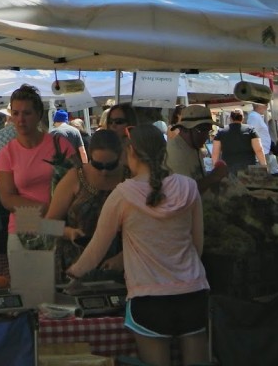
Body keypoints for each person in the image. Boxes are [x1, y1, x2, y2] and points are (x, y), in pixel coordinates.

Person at [67, 125, 210, 366]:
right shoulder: (189, 187)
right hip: (193, 293)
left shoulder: (123, 194)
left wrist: (73, 272)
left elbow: (96, 249)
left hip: (149, 298)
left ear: (130, 151)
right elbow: (198, 245)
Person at [0, 84, 77, 248]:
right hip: (26, 225)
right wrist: (49, 211)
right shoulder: (7, 153)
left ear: (39, 114)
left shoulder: (61, 145)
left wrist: (54, 216)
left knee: (62, 272)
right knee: (31, 273)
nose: (20, 119)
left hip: (62, 222)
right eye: (16, 113)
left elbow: (79, 182)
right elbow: (7, 199)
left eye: (27, 113)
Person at [46, 129, 125, 281]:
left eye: (110, 166)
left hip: (118, 264)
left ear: (120, 156)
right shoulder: (76, 177)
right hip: (75, 262)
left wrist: (123, 257)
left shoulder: (129, 177)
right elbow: (47, 224)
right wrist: (69, 232)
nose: (103, 172)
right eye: (97, 165)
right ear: (89, 154)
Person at [165, 105, 228, 193]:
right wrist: (213, 177)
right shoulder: (175, 153)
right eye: (202, 131)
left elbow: (198, 178)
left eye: (208, 131)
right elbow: (184, 192)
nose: (206, 136)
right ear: (186, 129)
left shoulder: (192, 146)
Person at [212, 108, 268, 174]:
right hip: (248, 169)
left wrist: (215, 168)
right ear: (242, 118)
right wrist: (264, 167)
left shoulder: (221, 131)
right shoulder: (250, 130)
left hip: (228, 169)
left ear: (230, 118)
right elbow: (259, 150)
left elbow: (215, 152)